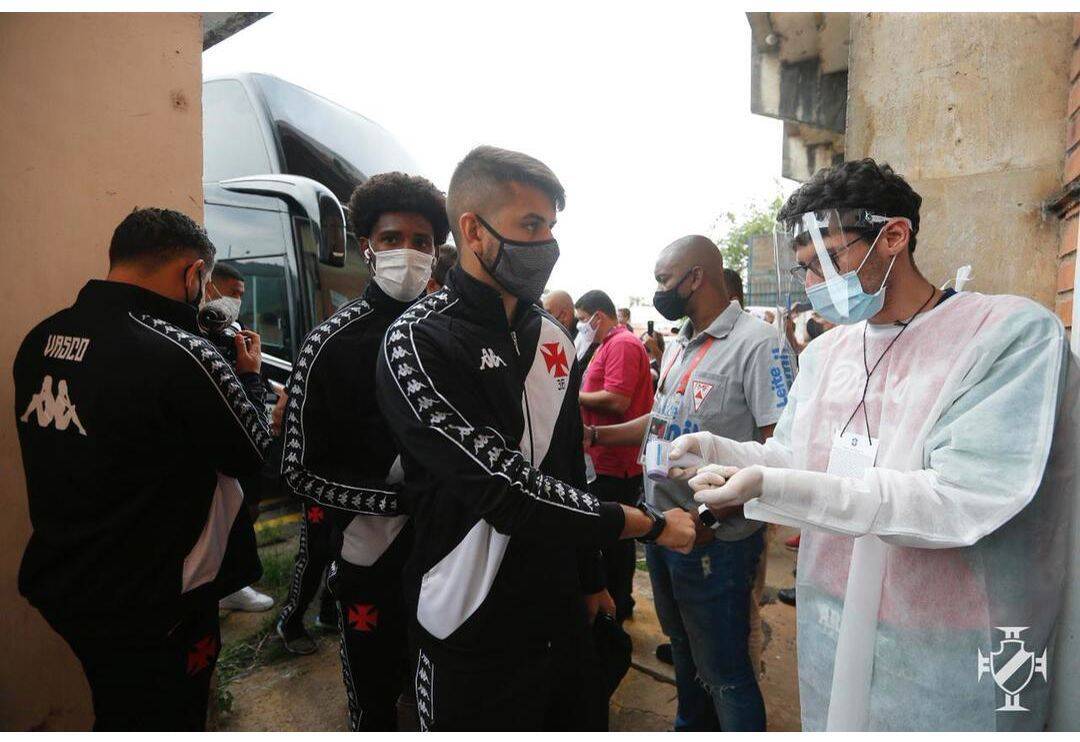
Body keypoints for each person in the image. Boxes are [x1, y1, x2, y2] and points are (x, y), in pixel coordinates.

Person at [674, 158, 1079, 731]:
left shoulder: (1005, 335)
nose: (815, 286)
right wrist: (726, 454)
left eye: (829, 262)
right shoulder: (828, 353)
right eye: (806, 270)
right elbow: (797, 460)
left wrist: (774, 485)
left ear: (893, 236)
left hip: (948, 628)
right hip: (833, 610)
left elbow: (963, 497)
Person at [375, 145, 696, 731]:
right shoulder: (417, 342)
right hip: (466, 611)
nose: (546, 244)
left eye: (551, 227)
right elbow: (505, 489)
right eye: (529, 225)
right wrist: (646, 525)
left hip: (559, 612)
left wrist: (592, 578)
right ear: (473, 230)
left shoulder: (553, 335)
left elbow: (567, 463)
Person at [14, 207, 271, 730]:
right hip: (156, 604)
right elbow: (255, 455)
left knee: (119, 712)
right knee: (164, 717)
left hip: (67, 585)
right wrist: (250, 381)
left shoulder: (41, 338)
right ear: (194, 274)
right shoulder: (184, 352)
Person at [584, 235, 788, 731]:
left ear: (696, 277)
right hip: (664, 528)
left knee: (725, 673)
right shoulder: (680, 343)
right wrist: (592, 433)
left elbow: (778, 450)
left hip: (714, 542)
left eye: (663, 280)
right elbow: (661, 421)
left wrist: (707, 518)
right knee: (685, 655)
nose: (658, 290)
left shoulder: (759, 345)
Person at [277, 172, 449, 730]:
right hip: (367, 553)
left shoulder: (451, 335)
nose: (408, 252)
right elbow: (298, 469)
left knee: (440, 692)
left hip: (448, 555)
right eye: (393, 238)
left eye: (422, 242)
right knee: (374, 697)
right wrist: (397, 500)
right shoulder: (329, 343)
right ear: (366, 247)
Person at [575, 290, 653, 622]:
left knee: (615, 540)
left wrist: (573, 397)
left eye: (582, 320)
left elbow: (618, 400)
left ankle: (617, 608)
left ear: (598, 317)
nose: (581, 327)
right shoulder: (609, 344)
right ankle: (620, 603)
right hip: (605, 457)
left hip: (617, 462)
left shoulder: (621, 344)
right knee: (614, 541)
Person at [208, 263, 275, 615]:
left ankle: (233, 583)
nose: (237, 301)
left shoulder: (235, 330)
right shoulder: (195, 336)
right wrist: (249, 376)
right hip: (224, 444)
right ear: (209, 288)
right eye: (233, 293)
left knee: (245, 510)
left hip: (243, 443)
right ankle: (223, 585)